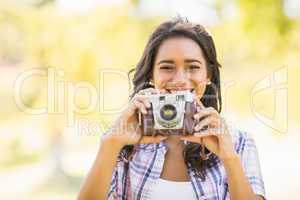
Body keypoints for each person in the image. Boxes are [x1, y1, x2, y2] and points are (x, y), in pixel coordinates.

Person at [77, 17, 266, 200]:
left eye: (193, 67)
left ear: (208, 75)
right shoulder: (124, 142)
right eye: (167, 67)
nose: (180, 80)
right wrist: (111, 143)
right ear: (151, 74)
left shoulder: (239, 143)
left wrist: (229, 158)